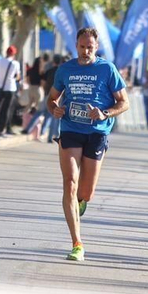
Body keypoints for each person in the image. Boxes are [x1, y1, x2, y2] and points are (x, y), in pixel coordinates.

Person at [48, 27, 129, 262]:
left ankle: (81, 201)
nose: (85, 51)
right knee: (69, 183)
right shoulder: (66, 69)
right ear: (76, 45)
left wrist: (104, 113)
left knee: (86, 192)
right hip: (71, 129)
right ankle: (77, 243)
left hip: (97, 133)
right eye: (82, 47)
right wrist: (55, 109)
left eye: (90, 47)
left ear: (97, 47)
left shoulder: (106, 69)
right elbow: (51, 98)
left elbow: (124, 102)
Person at [0, 45, 21, 136]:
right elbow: (18, 76)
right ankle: (1, 130)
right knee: (6, 110)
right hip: (10, 88)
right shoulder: (15, 64)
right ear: (14, 54)